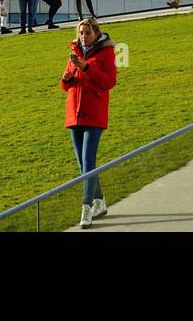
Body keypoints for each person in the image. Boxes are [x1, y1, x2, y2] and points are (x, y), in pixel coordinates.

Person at [60, 17, 117, 229]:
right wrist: (66, 79)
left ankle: (86, 206)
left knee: (88, 160)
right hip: (74, 114)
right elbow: (66, 86)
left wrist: (86, 67)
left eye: (87, 33)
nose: (83, 36)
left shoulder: (106, 52)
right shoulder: (74, 51)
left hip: (94, 113)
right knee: (83, 164)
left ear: (96, 33)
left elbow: (109, 81)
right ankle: (99, 202)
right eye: (81, 33)